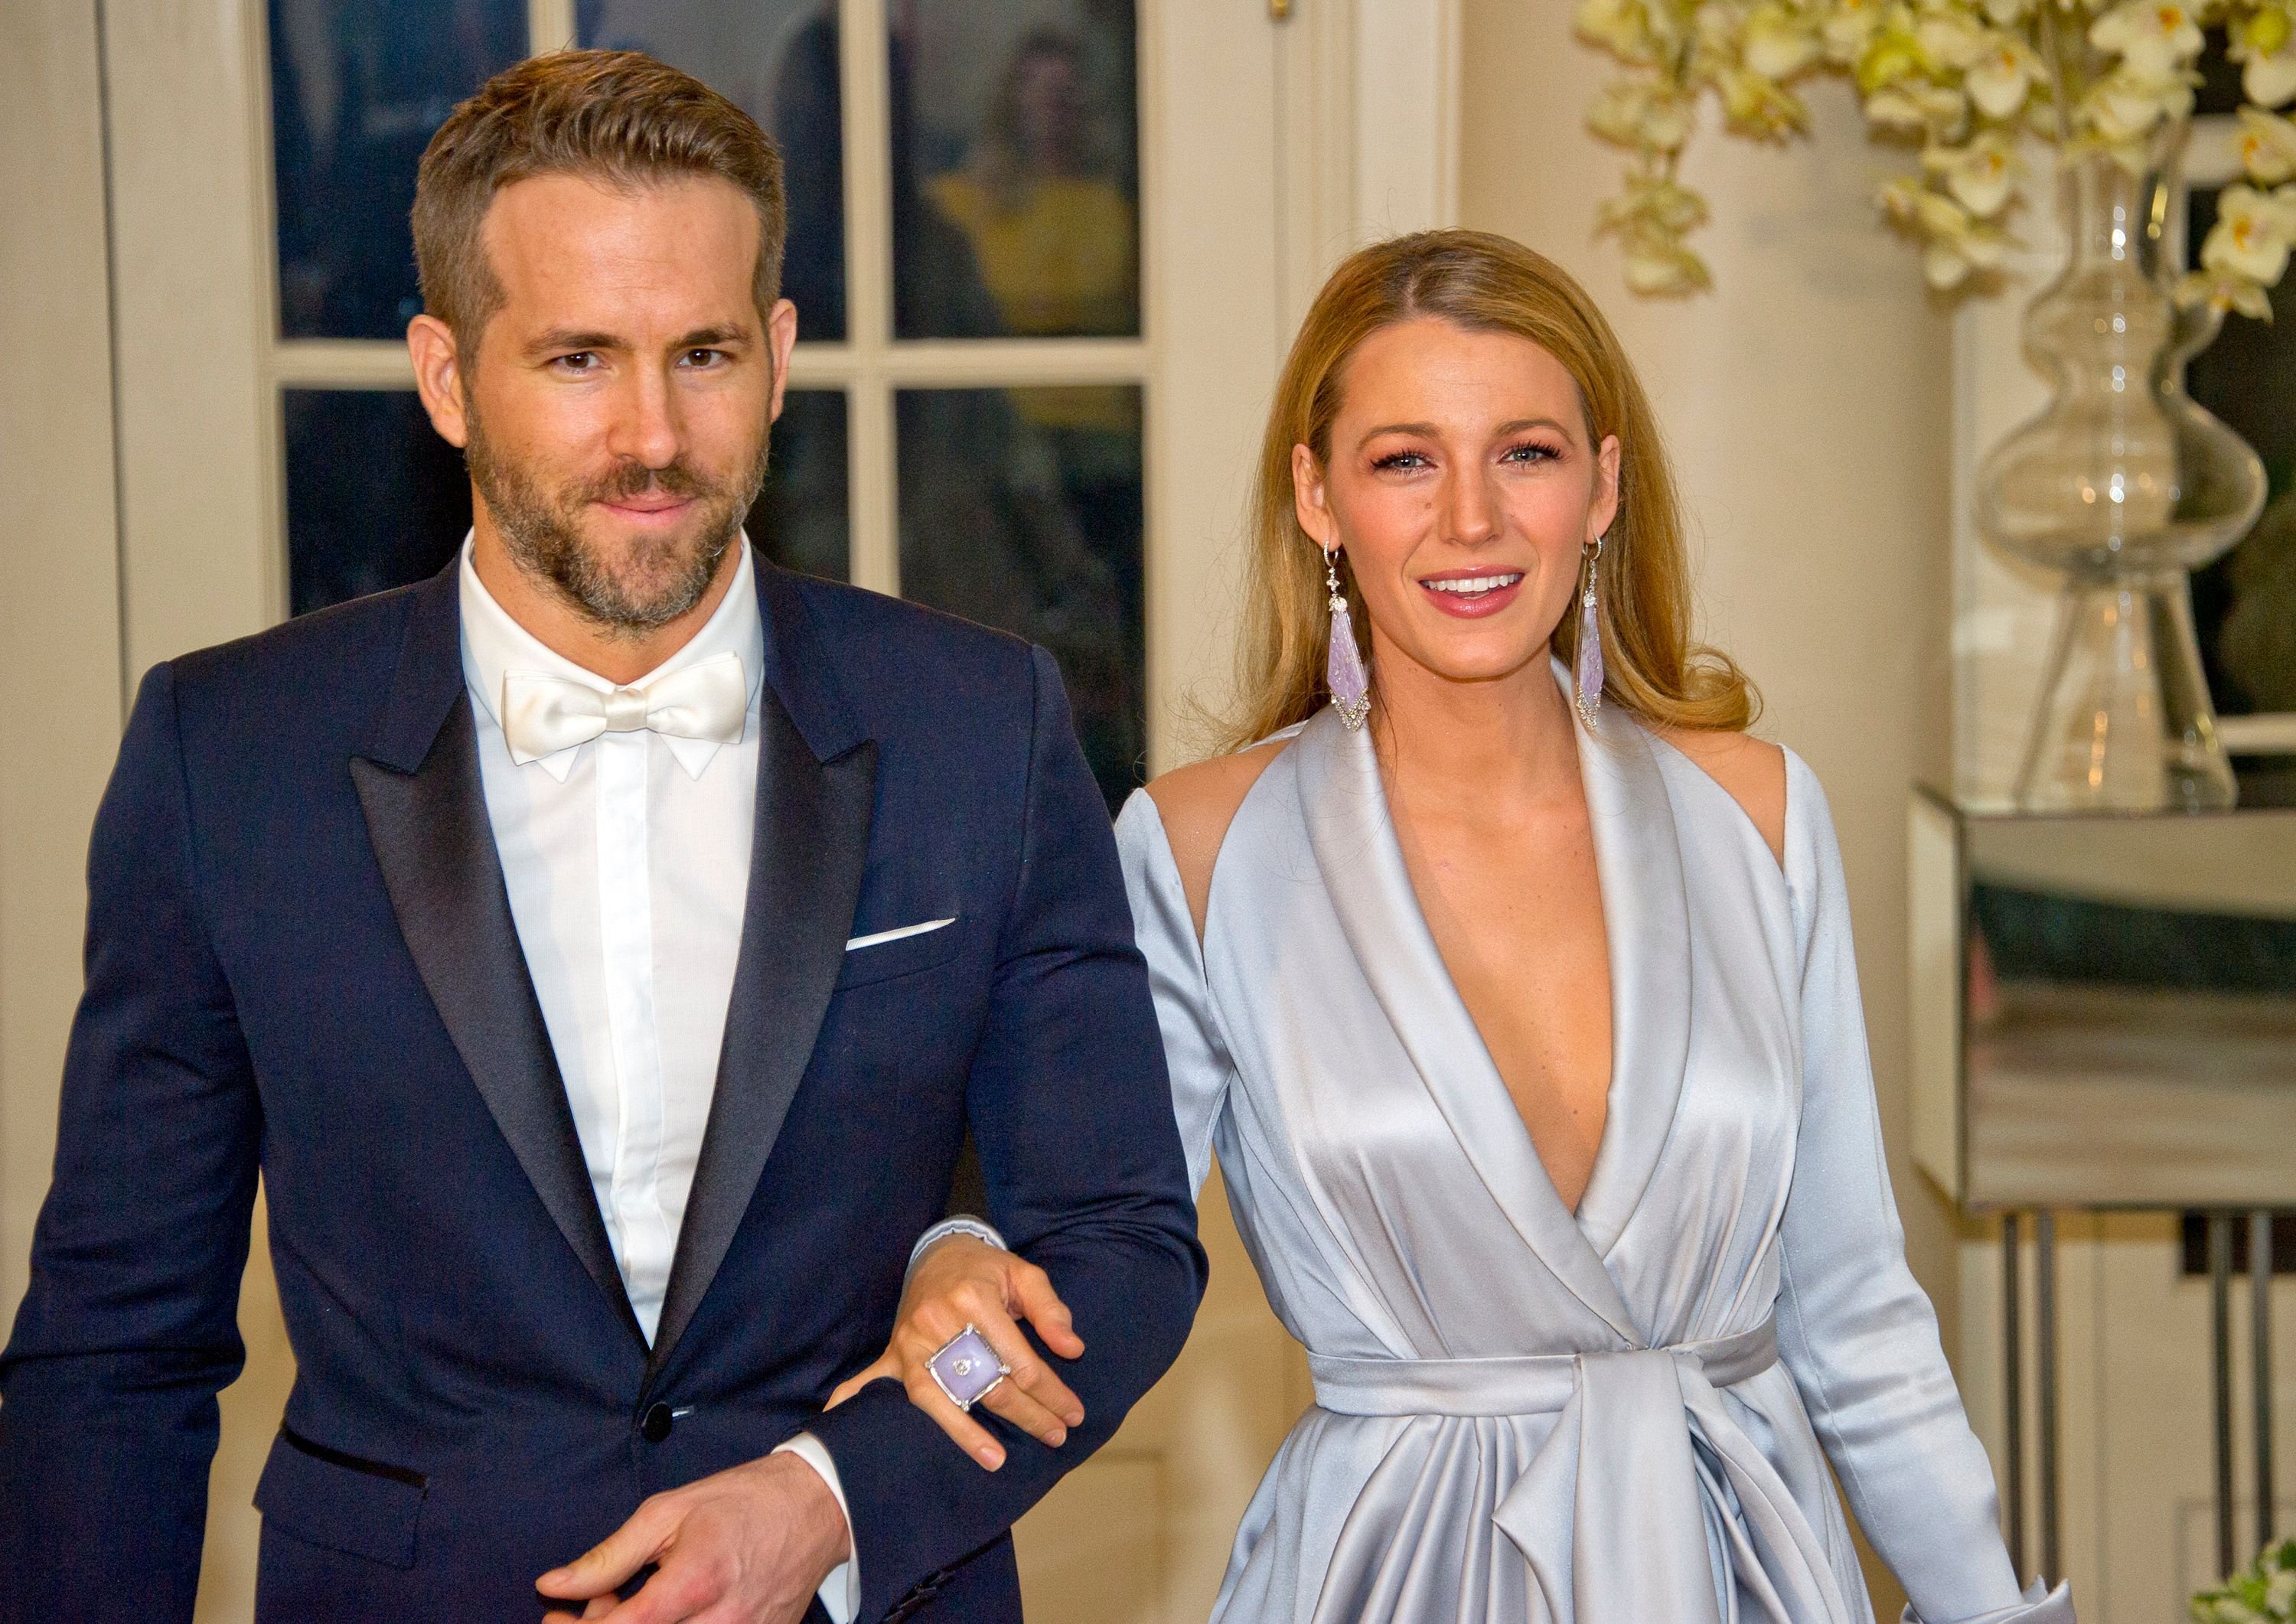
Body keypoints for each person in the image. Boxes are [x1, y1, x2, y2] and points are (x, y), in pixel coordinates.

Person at [0, 50, 1203, 1624]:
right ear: (446, 377)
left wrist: (844, 1485)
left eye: (702, 352)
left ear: (778, 355)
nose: (653, 434)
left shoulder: (982, 723)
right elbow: (116, 1346)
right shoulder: (229, 758)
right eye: (577, 358)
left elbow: (1110, 1240)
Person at [854, 231, 2077, 1623]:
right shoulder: (1199, 854)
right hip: (1389, 1577)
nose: (1474, 522)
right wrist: (942, 1285)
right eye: (1405, 460)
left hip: (1745, 1572)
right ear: (1319, 496)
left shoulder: (1760, 815)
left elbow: (1856, 1314)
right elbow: (1090, 1252)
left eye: (1528, 454)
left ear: (1603, 485)